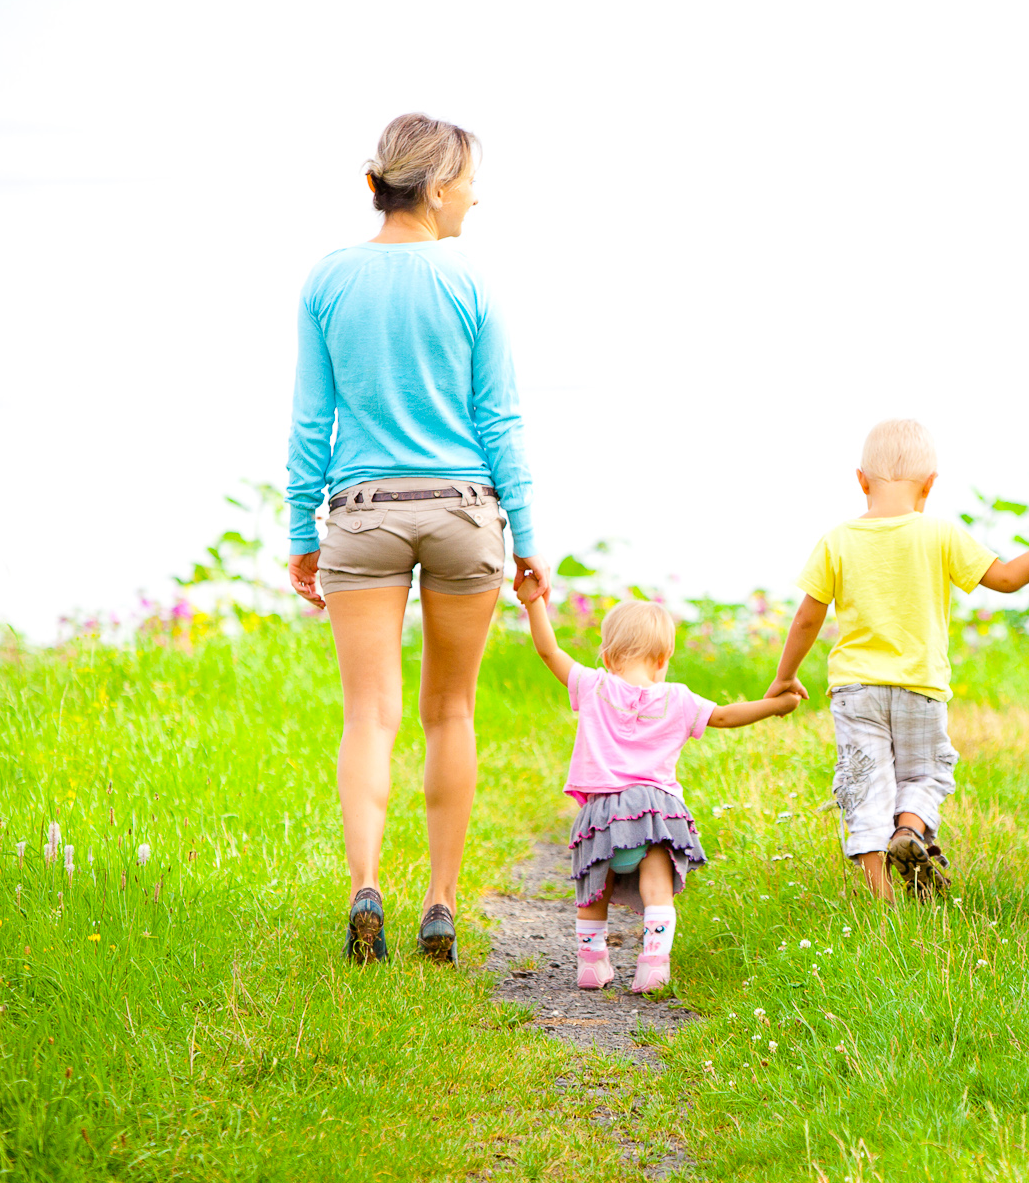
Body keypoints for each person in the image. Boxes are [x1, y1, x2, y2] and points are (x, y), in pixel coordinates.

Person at [286, 113, 549, 965]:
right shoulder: (471, 284)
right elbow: (499, 420)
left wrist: (300, 528)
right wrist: (526, 537)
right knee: (450, 712)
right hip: (463, 512)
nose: (475, 197)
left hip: (362, 513)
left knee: (369, 714)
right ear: (435, 189)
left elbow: (312, 420)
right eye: (469, 182)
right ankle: (440, 902)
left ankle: (366, 887)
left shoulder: (329, 280)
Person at [767, 419, 1029, 900]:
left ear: (861, 481)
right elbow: (1007, 579)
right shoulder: (940, 533)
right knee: (925, 774)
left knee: (864, 785)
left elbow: (807, 619)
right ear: (930, 484)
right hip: (920, 687)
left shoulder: (838, 539)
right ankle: (910, 829)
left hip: (857, 690)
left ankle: (882, 900)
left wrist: (785, 677)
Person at [524, 595, 798, 993]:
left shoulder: (592, 685)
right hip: (655, 811)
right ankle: (653, 966)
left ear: (607, 654)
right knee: (658, 890)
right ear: (663, 657)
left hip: (602, 812)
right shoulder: (678, 698)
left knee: (593, 891)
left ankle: (591, 964)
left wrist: (533, 601)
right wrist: (776, 705)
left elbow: (549, 651)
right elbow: (725, 716)